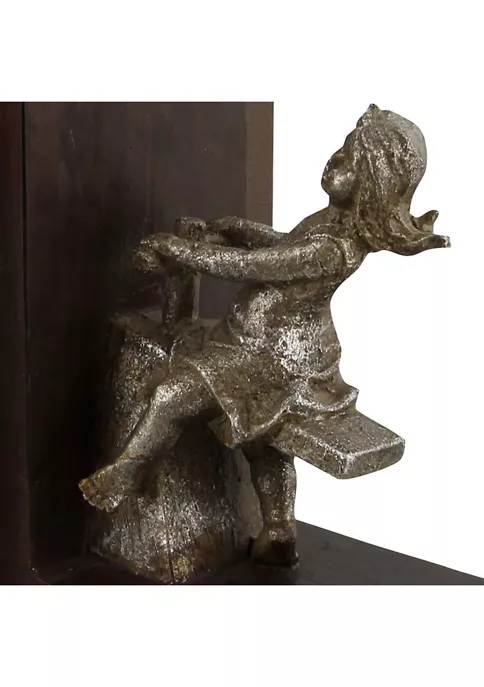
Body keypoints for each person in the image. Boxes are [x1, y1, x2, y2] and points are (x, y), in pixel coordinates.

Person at [80, 105, 449, 566]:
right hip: (261, 347)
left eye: (349, 160)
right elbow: (282, 245)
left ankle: (125, 471)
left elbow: (253, 267)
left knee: (173, 395)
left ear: (370, 185)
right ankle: (278, 530)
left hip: (270, 360)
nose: (335, 160)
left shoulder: (334, 249)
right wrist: (239, 228)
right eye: (341, 150)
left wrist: (178, 249)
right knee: (261, 443)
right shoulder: (331, 225)